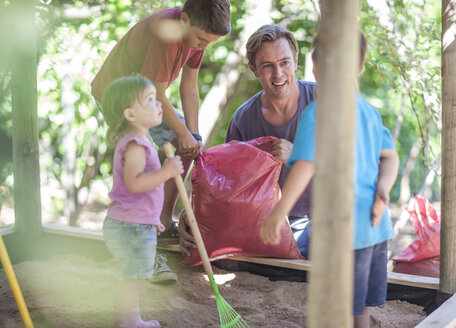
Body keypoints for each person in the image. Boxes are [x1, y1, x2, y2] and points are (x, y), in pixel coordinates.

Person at [260, 31, 400, 328]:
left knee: (335, 304)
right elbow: (390, 157)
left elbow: (306, 165)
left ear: (314, 64)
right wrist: (383, 191)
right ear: (360, 67)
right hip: (376, 229)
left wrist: (278, 213)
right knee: (358, 304)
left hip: (343, 228)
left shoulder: (318, 113)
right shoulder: (369, 112)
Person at [91, 0, 231, 240]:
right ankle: (138, 233)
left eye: (209, 43)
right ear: (185, 20)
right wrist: (184, 134)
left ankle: (162, 224)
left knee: (188, 146)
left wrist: (192, 136)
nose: (203, 46)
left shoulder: (197, 35)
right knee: (140, 160)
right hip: (118, 96)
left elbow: (189, 86)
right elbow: (155, 91)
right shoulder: (166, 33)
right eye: (201, 40)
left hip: (148, 97)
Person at [178, 25, 316, 260]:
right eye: (267, 66)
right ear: (253, 69)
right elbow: (228, 189)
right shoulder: (243, 119)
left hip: (318, 220)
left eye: (284, 62)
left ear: (295, 60)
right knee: (195, 236)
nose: (278, 74)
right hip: (261, 225)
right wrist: (191, 215)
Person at [100, 75, 184, 328]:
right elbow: (135, 183)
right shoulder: (135, 145)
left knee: (136, 275)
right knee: (135, 277)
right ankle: (128, 321)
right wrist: (166, 173)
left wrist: (151, 220)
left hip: (135, 223)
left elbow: (137, 193)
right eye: (150, 100)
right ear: (130, 114)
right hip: (130, 226)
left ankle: (127, 318)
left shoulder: (138, 140)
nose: (159, 104)